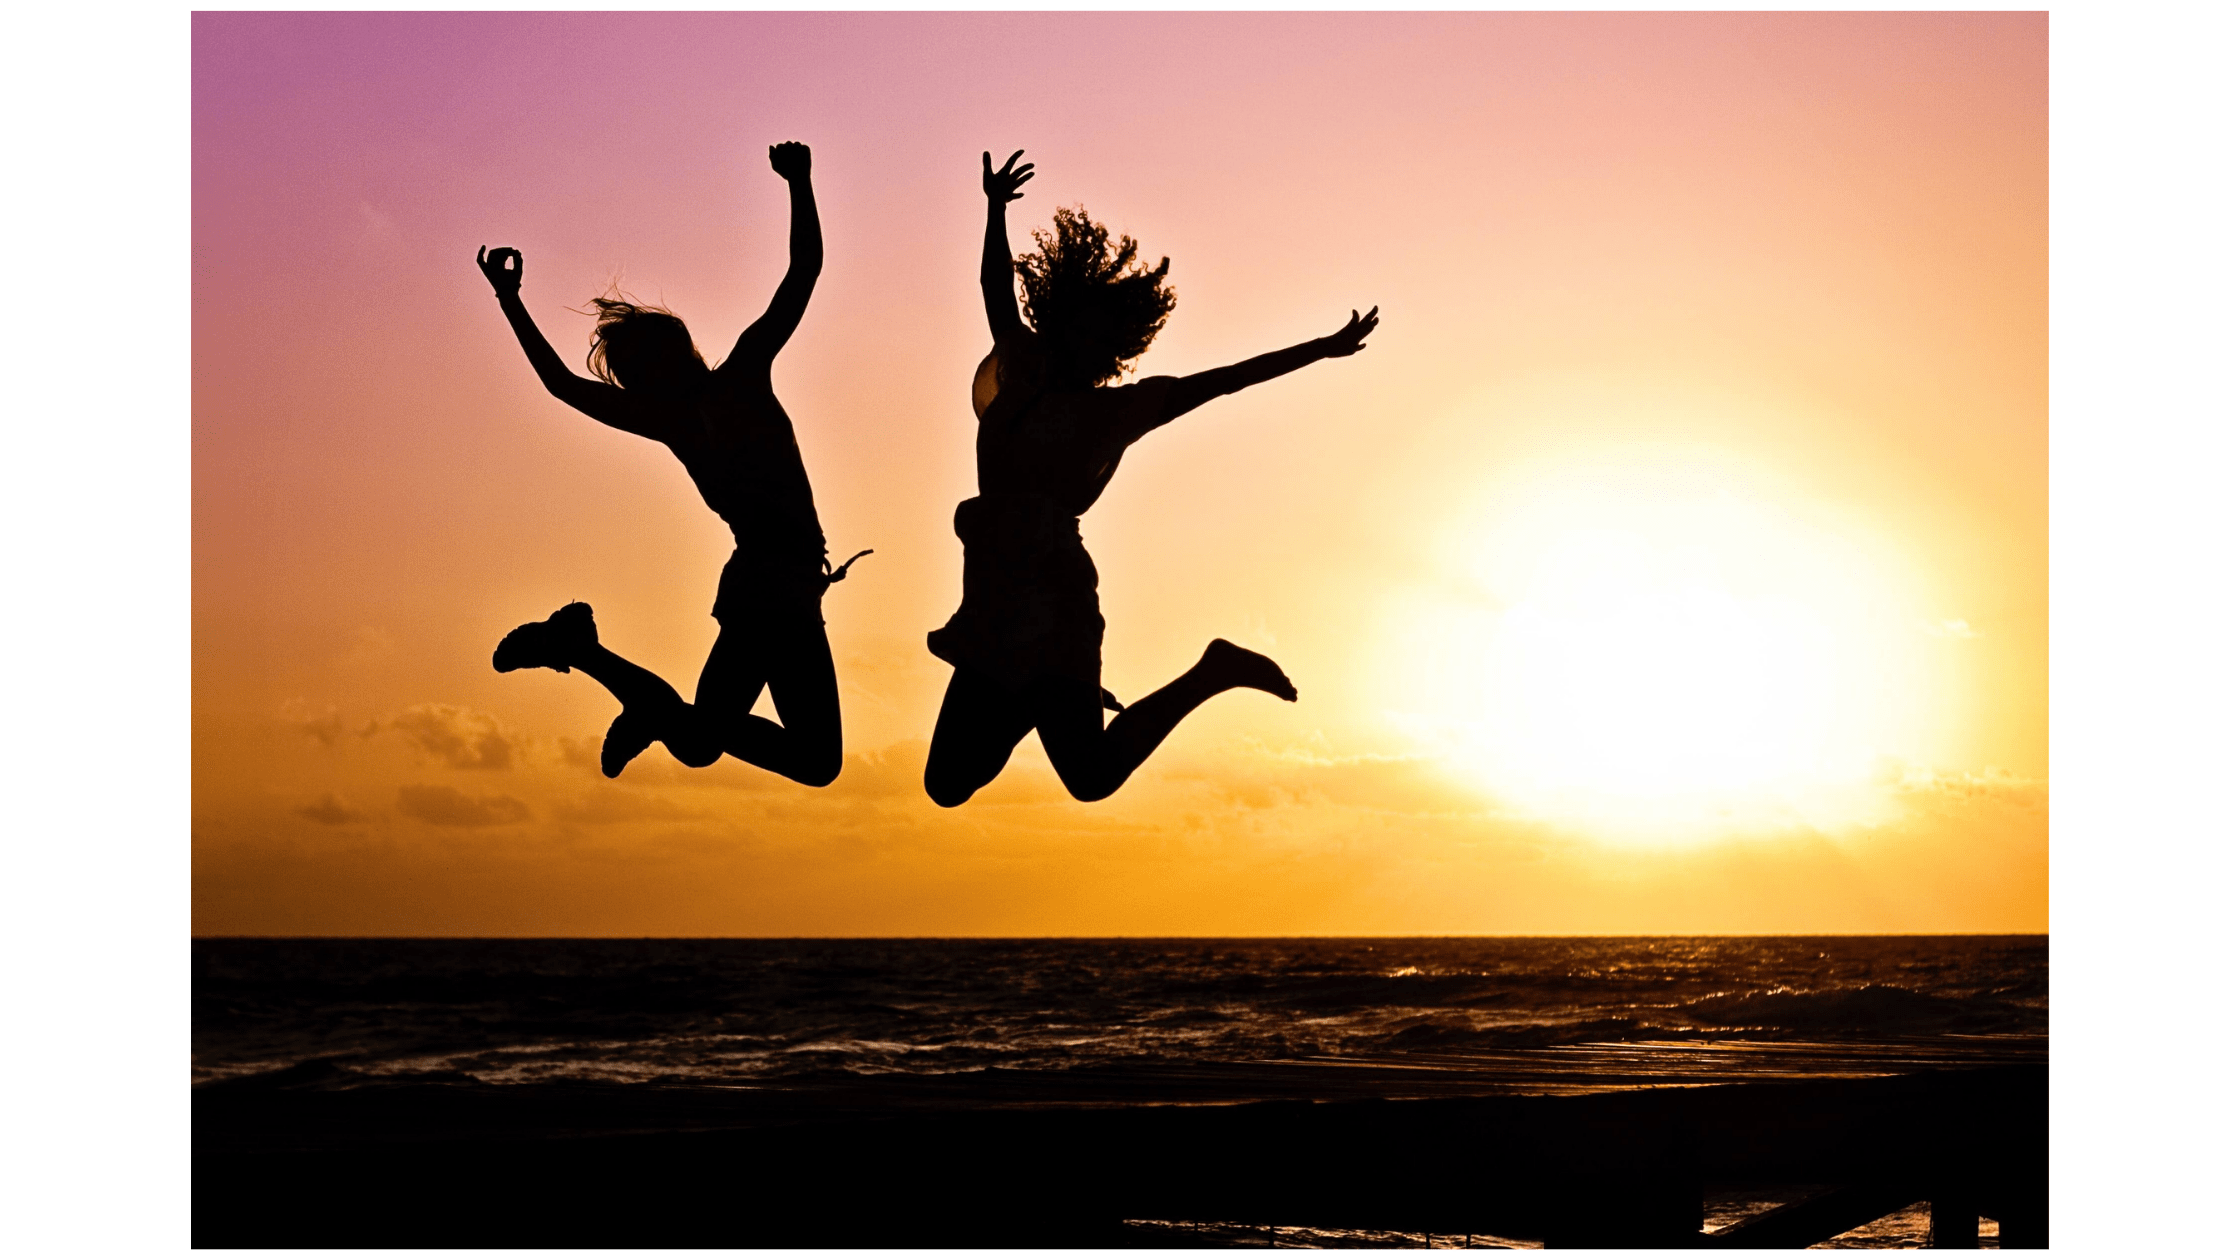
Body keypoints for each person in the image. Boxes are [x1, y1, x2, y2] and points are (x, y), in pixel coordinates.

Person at [923, 149, 1377, 807]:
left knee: (1090, 776)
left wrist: (1322, 348)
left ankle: (1212, 672)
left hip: (1053, 596)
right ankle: (1035, 696)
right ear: (1063, 315)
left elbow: (1227, 381)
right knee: (947, 783)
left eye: (1104, 334)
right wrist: (994, 208)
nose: (1090, 341)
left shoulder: (1120, 411)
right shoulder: (1020, 369)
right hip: (993, 594)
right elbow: (995, 290)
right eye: (1084, 324)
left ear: (1115, 345)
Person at [475, 140, 862, 785]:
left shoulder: (689, 409)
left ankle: (591, 659)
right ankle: (599, 665)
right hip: (774, 583)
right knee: (795, 757)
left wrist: (509, 298)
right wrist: (800, 180)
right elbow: (804, 274)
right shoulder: (726, 386)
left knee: (703, 741)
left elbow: (803, 275)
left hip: (770, 582)